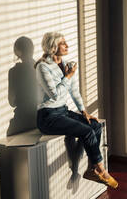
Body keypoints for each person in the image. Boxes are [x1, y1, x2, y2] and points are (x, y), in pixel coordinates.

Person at [35, 32, 118, 189]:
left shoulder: (65, 64)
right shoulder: (42, 67)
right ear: (53, 47)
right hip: (48, 117)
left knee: (95, 125)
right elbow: (54, 95)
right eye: (63, 43)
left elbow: (74, 91)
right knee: (86, 131)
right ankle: (102, 170)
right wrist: (68, 76)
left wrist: (83, 111)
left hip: (63, 111)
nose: (67, 45)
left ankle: (91, 169)